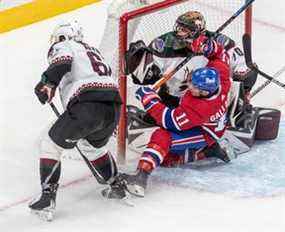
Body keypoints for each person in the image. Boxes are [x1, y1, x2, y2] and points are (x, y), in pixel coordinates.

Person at [29, 21, 125, 220]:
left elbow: (62, 61)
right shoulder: (92, 51)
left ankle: (47, 199)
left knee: (50, 144)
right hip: (114, 107)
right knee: (92, 147)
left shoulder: (65, 45)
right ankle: (116, 185)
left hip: (87, 105)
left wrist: (47, 82)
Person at [121, 46, 232, 197]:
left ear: (205, 92)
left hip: (204, 133)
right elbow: (221, 55)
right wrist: (209, 46)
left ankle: (141, 177)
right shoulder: (222, 76)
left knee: (162, 138)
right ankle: (209, 150)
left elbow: (169, 120)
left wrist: (149, 99)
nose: (190, 86)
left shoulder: (201, 108)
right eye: (191, 81)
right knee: (163, 155)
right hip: (214, 123)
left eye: (194, 86)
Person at [125, 11, 257, 127]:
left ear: (196, 32)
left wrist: (243, 86)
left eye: (184, 29)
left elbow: (246, 66)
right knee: (160, 121)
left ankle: (237, 114)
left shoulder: (218, 42)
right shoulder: (164, 44)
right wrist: (138, 65)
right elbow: (145, 76)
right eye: (179, 27)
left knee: (234, 89)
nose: (179, 32)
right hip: (172, 97)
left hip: (205, 99)